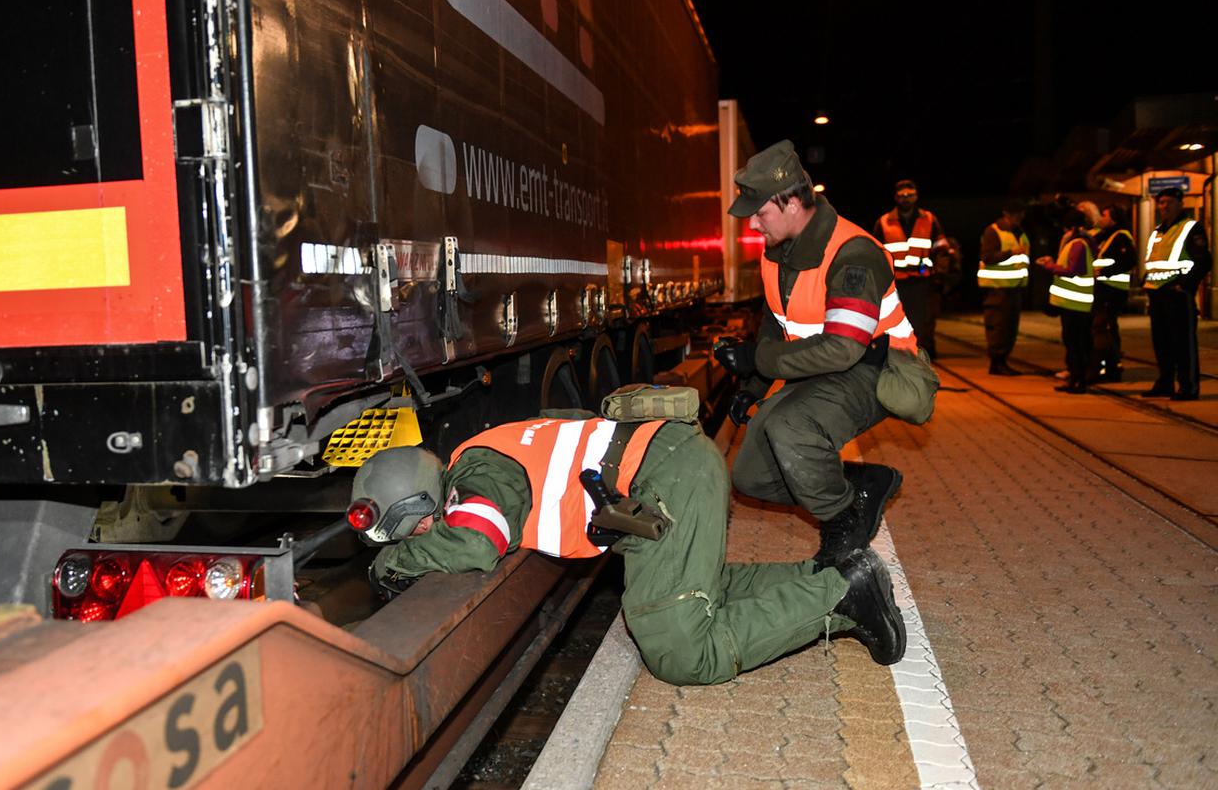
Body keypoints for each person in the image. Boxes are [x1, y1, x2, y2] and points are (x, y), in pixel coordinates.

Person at [348, 410, 908, 687]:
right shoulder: (478, 460)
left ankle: (842, 596)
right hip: (664, 467)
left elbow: (475, 542)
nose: (424, 540)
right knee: (691, 592)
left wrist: (391, 562)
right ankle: (823, 570)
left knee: (679, 651)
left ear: (425, 503)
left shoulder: (481, 472)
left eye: (416, 531)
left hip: (664, 477)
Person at [714, 139, 919, 571]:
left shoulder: (853, 254)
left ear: (791, 202)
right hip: (823, 369)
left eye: (759, 211)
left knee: (792, 427)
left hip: (878, 369)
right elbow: (778, 322)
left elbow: (844, 347)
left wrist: (757, 361)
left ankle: (843, 526)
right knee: (750, 476)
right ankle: (859, 484)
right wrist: (753, 386)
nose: (752, 223)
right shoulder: (778, 251)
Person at [1142, 188, 1211, 400]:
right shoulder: (1157, 231)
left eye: (1169, 202)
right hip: (1157, 294)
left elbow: (1204, 261)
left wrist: (1185, 286)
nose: (1165, 206)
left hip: (1177, 294)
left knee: (1183, 343)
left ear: (1180, 204)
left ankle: (1188, 387)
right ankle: (1165, 383)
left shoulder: (1191, 227)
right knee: (1161, 342)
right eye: (1161, 202)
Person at [873, 179, 946, 357]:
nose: (906, 199)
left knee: (921, 321)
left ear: (916, 197)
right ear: (896, 198)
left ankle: (917, 355)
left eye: (910, 195)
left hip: (922, 280)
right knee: (895, 320)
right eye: (902, 196)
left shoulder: (929, 219)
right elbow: (875, 252)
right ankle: (898, 354)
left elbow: (941, 247)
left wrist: (941, 271)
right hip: (894, 283)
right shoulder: (883, 222)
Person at [1037, 208, 1098, 394]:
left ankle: (1077, 380)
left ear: (1069, 227)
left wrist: (1050, 266)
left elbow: (1073, 270)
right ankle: (1076, 379)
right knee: (1076, 343)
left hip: (1074, 304)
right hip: (1074, 303)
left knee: (1075, 344)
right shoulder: (1082, 243)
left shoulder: (1077, 244)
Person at [977, 201, 1032, 375]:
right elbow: (987, 257)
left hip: (1015, 287)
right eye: (1016, 215)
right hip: (997, 288)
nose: (1019, 218)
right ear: (1006, 215)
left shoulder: (1020, 232)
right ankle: (997, 361)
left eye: (1021, 215)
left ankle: (1003, 360)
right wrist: (1010, 253)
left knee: (1010, 327)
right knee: (998, 326)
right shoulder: (993, 231)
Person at [1090, 204, 1136, 381]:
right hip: (1103, 288)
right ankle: (1108, 365)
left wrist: (1104, 272)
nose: (1101, 218)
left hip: (1113, 290)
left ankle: (1112, 366)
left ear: (1113, 219)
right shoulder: (1105, 236)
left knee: (1105, 328)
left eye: (1104, 214)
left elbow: (1129, 261)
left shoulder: (1121, 236)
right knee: (1104, 328)